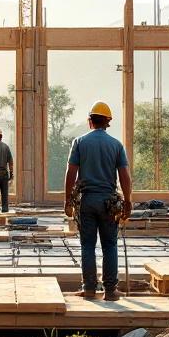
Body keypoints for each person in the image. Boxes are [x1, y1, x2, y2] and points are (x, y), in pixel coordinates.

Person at [64, 101, 132, 301]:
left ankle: (90, 288)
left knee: (87, 245)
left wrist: (68, 200)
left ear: (90, 121)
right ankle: (110, 290)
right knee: (109, 245)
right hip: (109, 202)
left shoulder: (79, 142)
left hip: (87, 201)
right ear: (107, 122)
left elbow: (71, 172)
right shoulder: (116, 145)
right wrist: (127, 201)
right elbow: (124, 175)